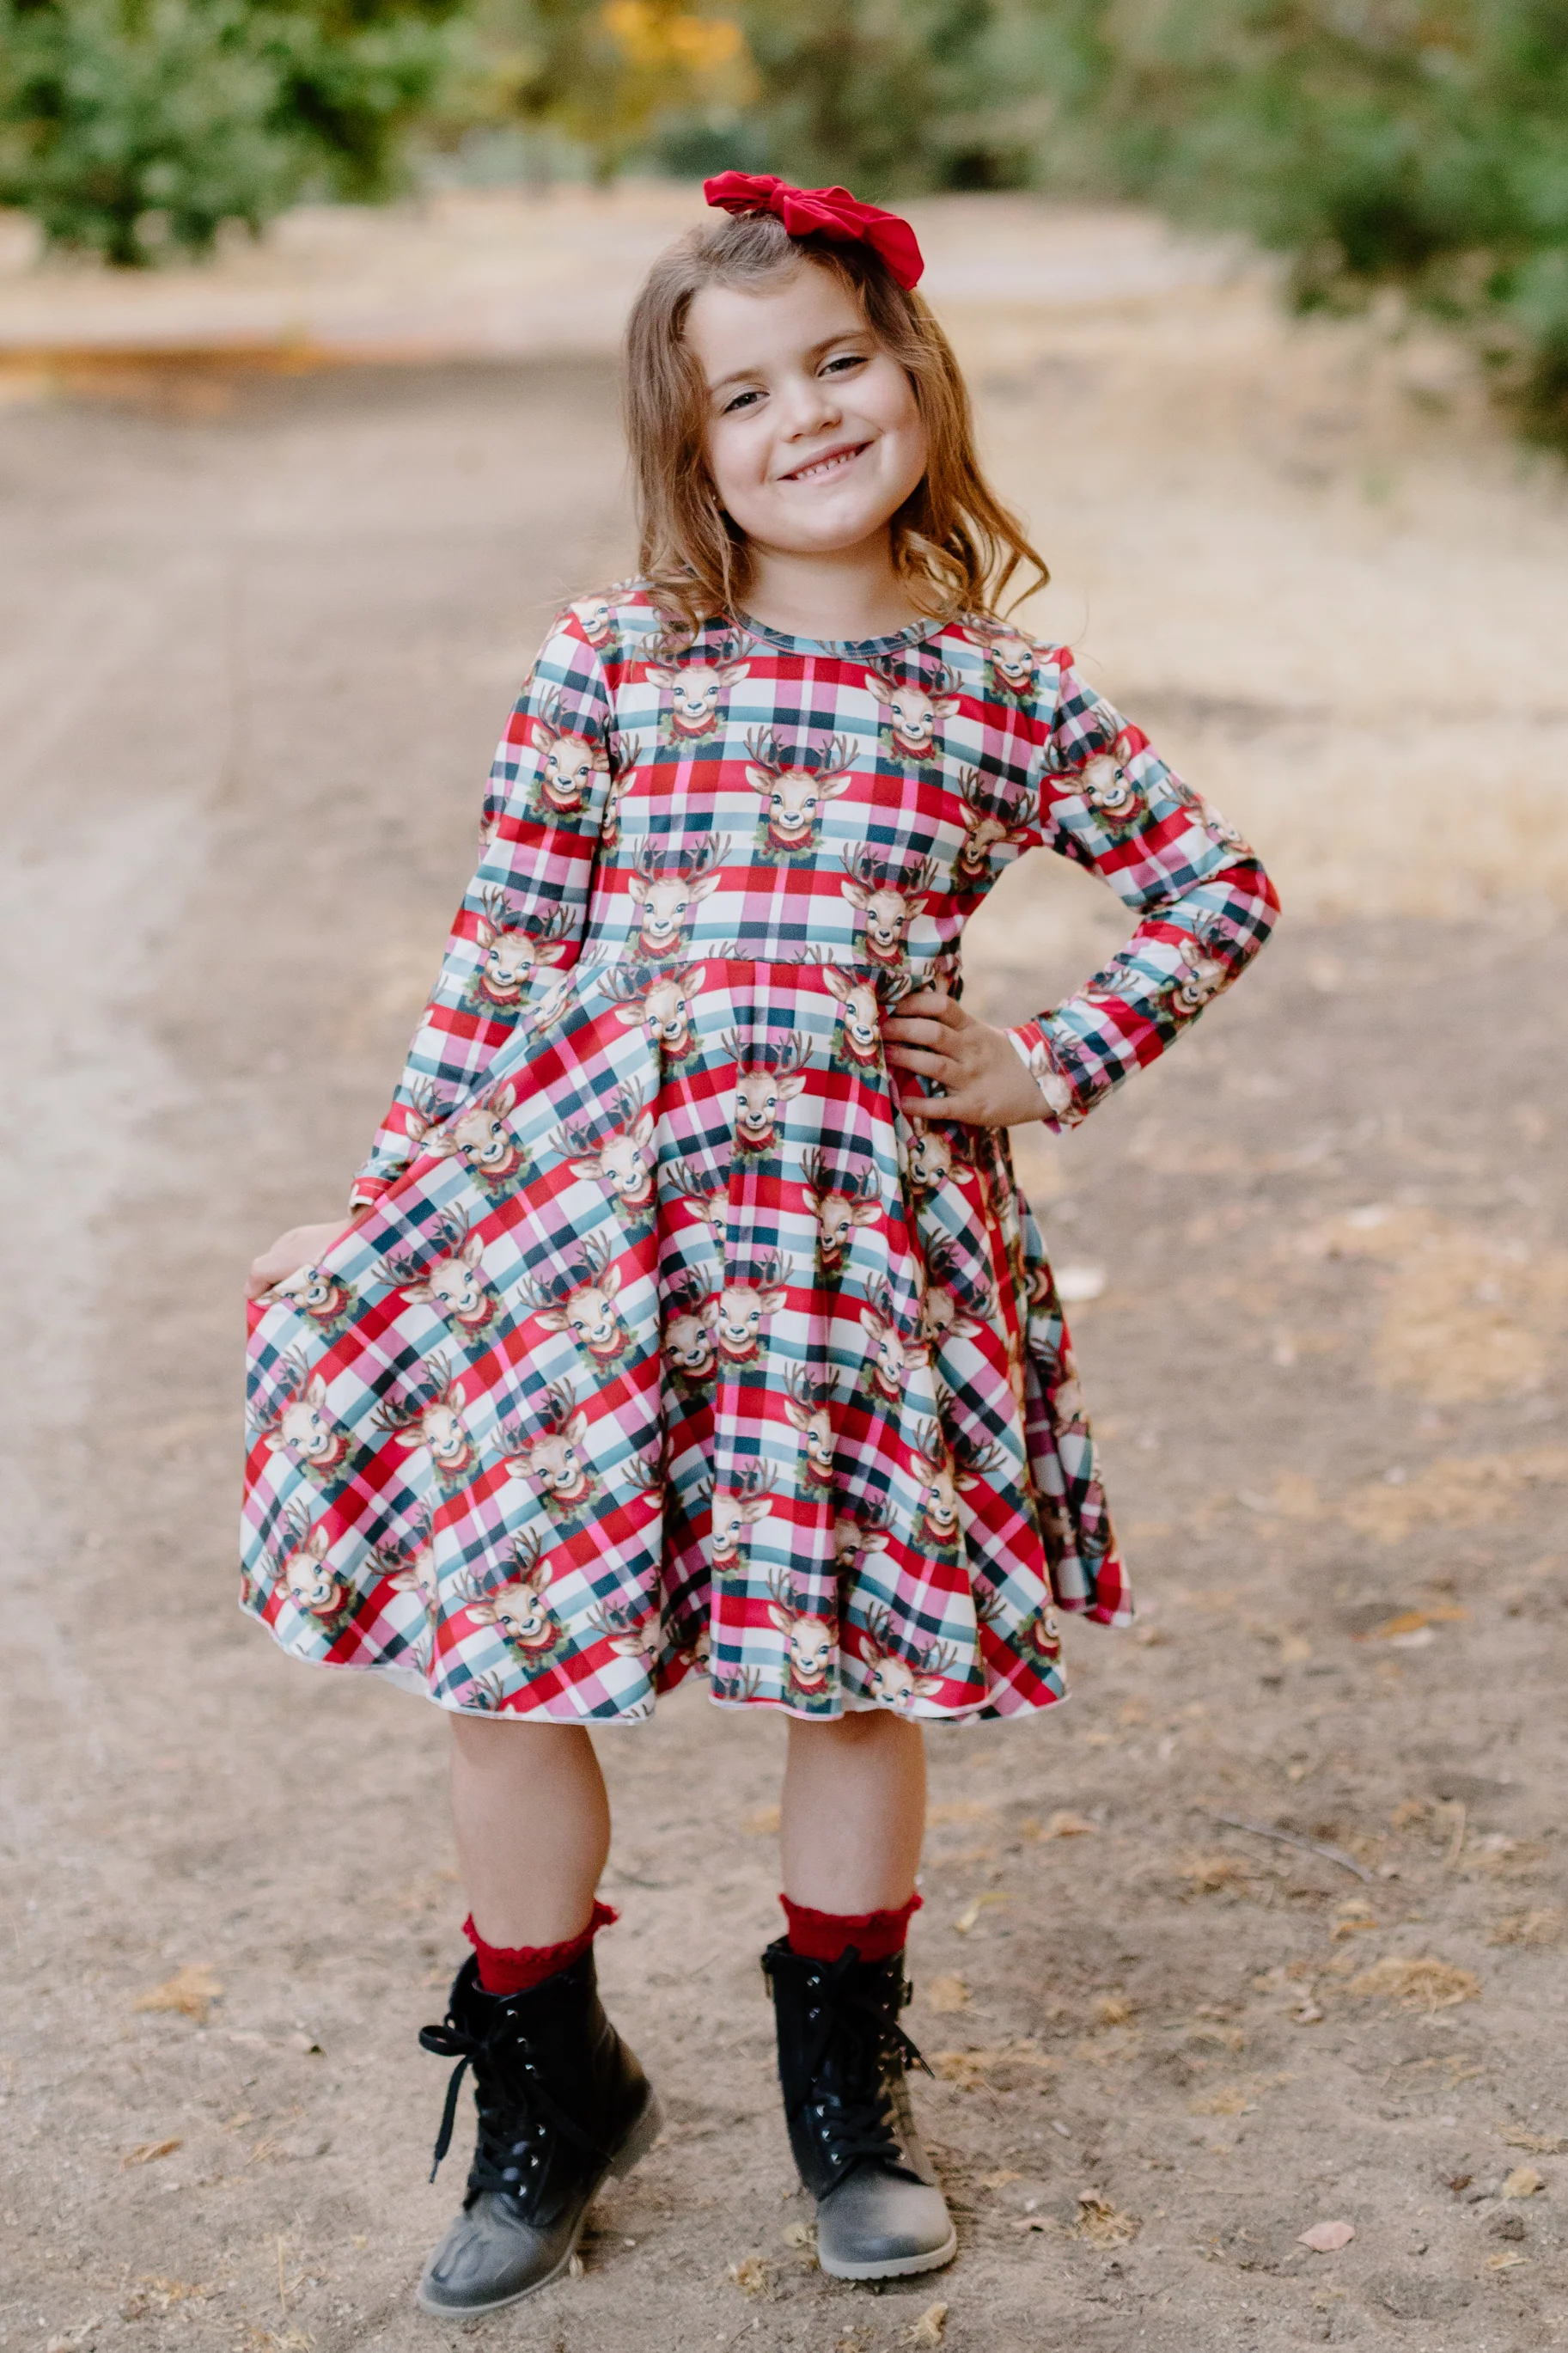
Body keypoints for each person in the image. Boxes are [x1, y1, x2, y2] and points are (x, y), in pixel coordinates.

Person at [242, 171, 1278, 2318]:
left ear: (915, 373)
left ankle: (846, 2090)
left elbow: (1216, 890)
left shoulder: (1004, 693)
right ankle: (552, 2078)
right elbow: (500, 958)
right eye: (745, 393)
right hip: (578, 1249)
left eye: (840, 360)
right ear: (688, 442)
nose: (806, 413)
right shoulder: (616, 657)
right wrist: (393, 1201)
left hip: (856, 1271)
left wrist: (1048, 1058)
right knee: (505, 1657)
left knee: (856, 1664)